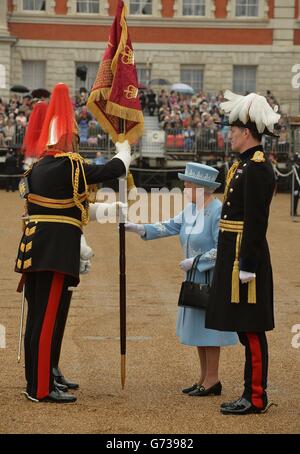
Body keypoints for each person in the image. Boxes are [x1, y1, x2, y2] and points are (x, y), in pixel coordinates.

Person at [15, 83, 132, 403]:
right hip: (54, 251)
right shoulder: (68, 165)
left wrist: (107, 209)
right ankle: (41, 388)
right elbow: (113, 170)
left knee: (39, 320)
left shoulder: (38, 168)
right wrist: (124, 149)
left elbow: (68, 207)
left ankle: (37, 381)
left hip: (36, 248)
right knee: (47, 318)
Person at [125, 163, 237, 395]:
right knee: (198, 329)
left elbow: (223, 248)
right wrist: (139, 228)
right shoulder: (191, 209)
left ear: (201, 187)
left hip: (211, 275)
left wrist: (197, 261)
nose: (184, 186)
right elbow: (169, 226)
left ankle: (213, 379)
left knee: (210, 330)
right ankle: (204, 378)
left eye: (187, 183)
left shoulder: (217, 210)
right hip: (194, 274)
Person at [205, 90, 280, 415]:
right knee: (242, 326)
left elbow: (255, 220)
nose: (229, 135)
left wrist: (247, 263)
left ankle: (257, 396)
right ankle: (251, 392)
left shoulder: (259, 168)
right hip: (232, 250)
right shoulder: (245, 165)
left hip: (244, 256)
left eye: (233, 131)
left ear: (246, 132)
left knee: (251, 327)